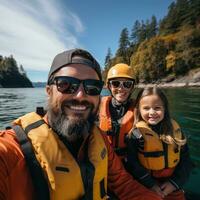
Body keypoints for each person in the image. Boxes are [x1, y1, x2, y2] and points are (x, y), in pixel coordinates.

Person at [0, 49, 162, 200]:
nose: (80, 95)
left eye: (92, 87)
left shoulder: (100, 140)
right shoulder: (12, 151)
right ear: (49, 90)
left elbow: (123, 184)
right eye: (66, 84)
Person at [126, 86, 194, 200]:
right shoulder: (136, 134)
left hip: (173, 184)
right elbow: (133, 163)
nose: (152, 112)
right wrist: (151, 185)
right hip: (146, 184)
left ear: (164, 109)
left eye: (157, 108)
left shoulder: (176, 131)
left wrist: (174, 184)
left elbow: (186, 161)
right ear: (139, 110)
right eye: (146, 108)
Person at [98, 63, 135, 161]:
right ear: (109, 86)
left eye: (127, 84)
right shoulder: (97, 106)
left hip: (130, 161)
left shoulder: (141, 109)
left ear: (132, 87)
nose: (121, 88)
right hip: (104, 159)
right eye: (115, 83)